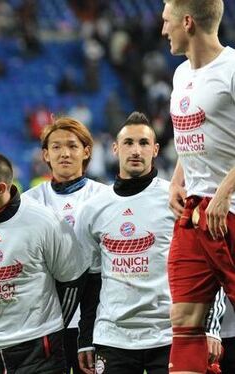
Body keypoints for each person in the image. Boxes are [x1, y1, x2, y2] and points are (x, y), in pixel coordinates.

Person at [0, 152, 89, 373]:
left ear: (1, 189)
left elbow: (72, 279)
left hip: (37, 350)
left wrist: (52, 327)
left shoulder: (45, 222)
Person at [161, 1, 235, 372]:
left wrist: (224, 192)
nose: (163, 30)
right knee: (184, 320)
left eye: (167, 21)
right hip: (193, 215)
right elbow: (193, 133)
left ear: (187, 22)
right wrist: (179, 178)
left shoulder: (233, 69)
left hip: (231, 212)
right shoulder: (179, 76)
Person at [74, 112, 174, 374]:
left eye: (143, 143)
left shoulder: (174, 199)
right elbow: (90, 279)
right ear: (115, 148)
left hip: (167, 335)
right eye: (128, 143)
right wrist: (85, 339)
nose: (136, 150)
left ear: (155, 149)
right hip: (113, 336)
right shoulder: (93, 209)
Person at [23, 117, 107, 374]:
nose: (65, 153)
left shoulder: (105, 198)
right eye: (56, 147)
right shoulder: (28, 203)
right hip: (43, 322)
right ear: (46, 155)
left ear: (86, 151)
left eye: (72, 145)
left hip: (96, 322)